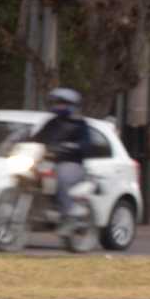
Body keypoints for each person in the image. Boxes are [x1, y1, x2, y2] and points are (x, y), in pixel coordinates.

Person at [31, 87, 91, 236]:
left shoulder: (80, 124)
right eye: (57, 103)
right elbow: (36, 138)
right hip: (48, 162)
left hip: (72, 164)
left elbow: (86, 145)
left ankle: (68, 216)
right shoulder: (51, 122)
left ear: (72, 104)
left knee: (61, 178)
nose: (59, 106)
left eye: (63, 103)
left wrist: (72, 147)